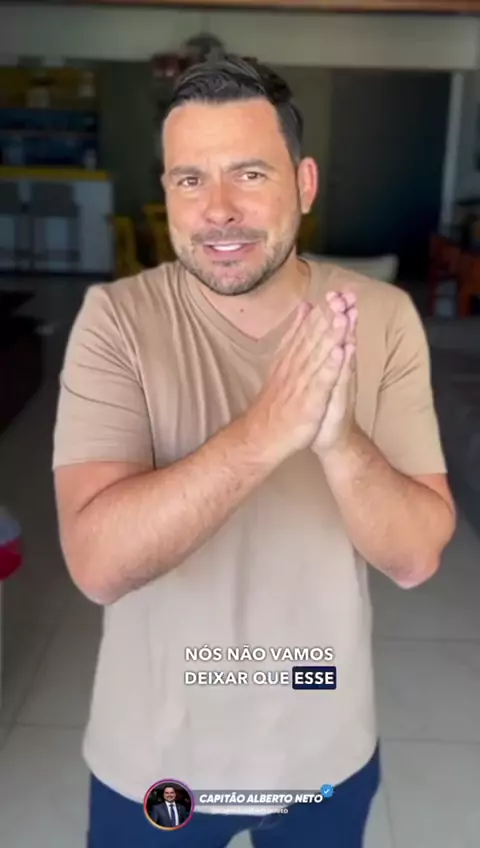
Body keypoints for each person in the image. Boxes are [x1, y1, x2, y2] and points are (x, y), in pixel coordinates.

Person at [53, 54, 456, 848]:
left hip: (325, 748)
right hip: (157, 761)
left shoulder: (380, 318)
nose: (219, 210)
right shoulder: (117, 320)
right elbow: (98, 565)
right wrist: (266, 432)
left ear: (304, 184)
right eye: (190, 180)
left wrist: (339, 440)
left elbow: (415, 559)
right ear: (167, 191)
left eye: (249, 173)